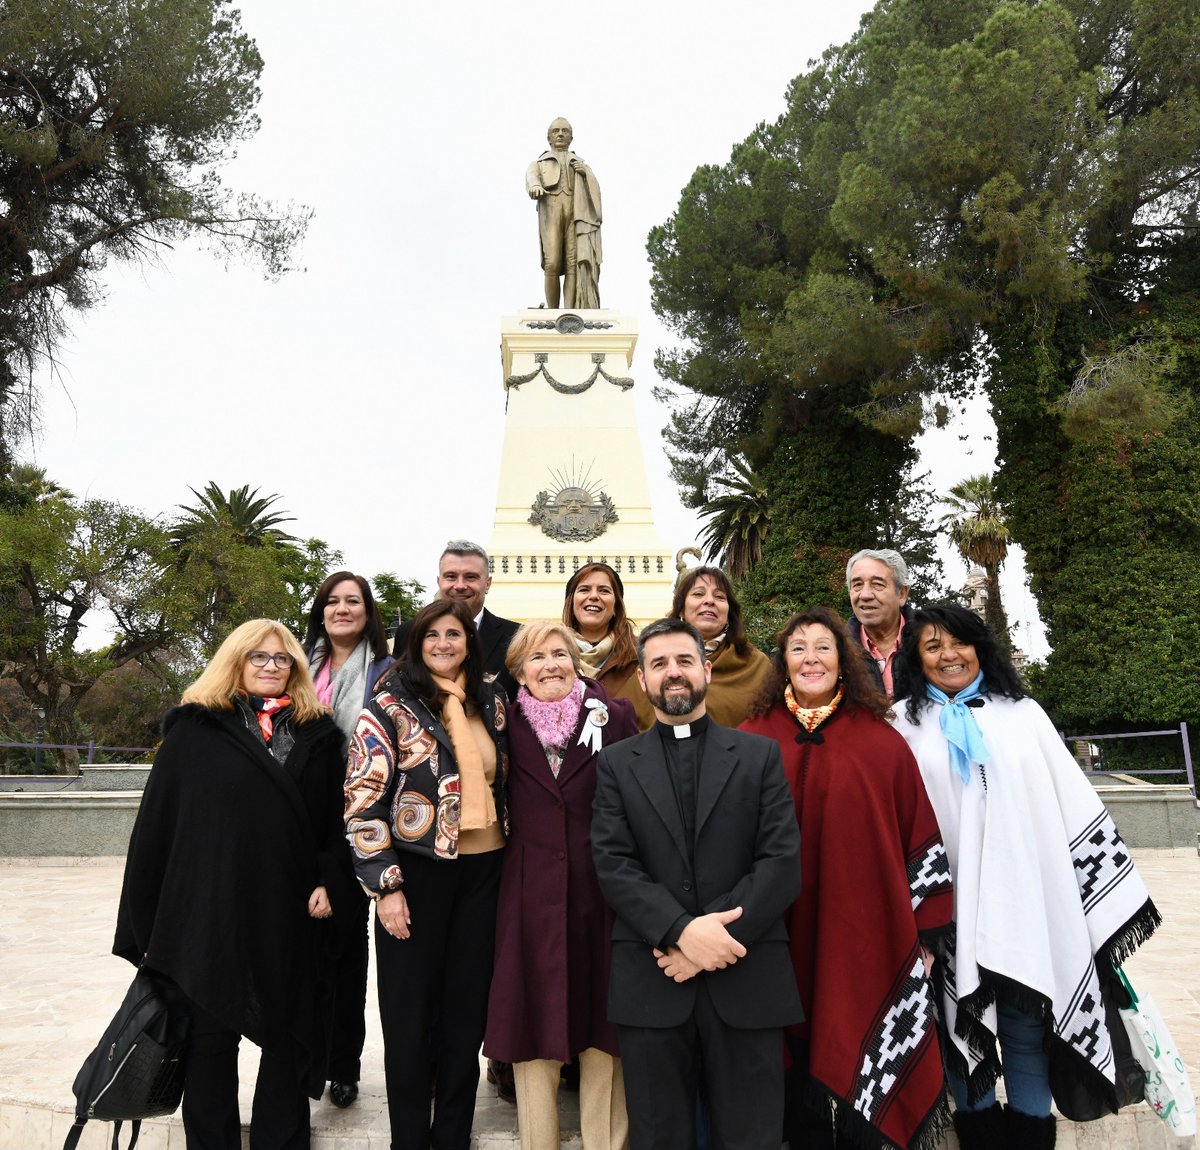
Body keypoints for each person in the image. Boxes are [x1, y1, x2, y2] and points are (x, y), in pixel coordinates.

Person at [891, 604, 1162, 1150]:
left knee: (1023, 1028)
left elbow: (1066, 799)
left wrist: (1085, 901)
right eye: (933, 646)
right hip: (948, 911)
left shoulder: (1023, 714)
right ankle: (982, 1136)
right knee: (960, 1027)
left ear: (980, 648)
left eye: (959, 643)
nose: (949, 655)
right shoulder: (901, 724)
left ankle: (1033, 1138)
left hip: (1026, 904)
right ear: (916, 659)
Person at [114, 619, 346, 1149]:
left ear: (296, 669)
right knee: (210, 1040)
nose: (271, 667)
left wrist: (331, 882)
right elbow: (156, 829)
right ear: (235, 662)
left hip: (288, 909)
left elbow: (339, 824)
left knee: (287, 1038)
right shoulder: (195, 731)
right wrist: (146, 924)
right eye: (258, 657)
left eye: (282, 659)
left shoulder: (320, 735)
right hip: (210, 910)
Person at [739, 607, 953, 1150]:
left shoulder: (880, 743)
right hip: (772, 937)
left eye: (823, 647)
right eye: (798, 648)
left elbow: (917, 833)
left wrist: (925, 931)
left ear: (843, 661)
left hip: (862, 934)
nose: (810, 658)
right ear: (782, 662)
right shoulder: (749, 740)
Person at [591, 618, 802, 1150]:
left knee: (752, 1137)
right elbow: (613, 863)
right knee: (659, 1138)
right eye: (658, 664)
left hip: (747, 974)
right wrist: (680, 932)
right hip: (652, 977)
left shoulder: (759, 756)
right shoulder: (616, 764)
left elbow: (780, 862)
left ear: (707, 669)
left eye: (684, 661)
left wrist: (711, 945)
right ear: (641, 679)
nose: (673, 673)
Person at [346, 599, 509, 1150]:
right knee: (410, 1017)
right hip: (415, 876)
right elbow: (361, 804)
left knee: (466, 1013)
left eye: (455, 634)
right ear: (414, 644)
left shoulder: (492, 702)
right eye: (431, 634)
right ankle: (410, 1139)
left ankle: (454, 1136)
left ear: (470, 641)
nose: (444, 643)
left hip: (485, 871)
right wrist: (385, 886)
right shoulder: (389, 706)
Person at [484, 621, 638, 1150]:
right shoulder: (500, 724)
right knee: (532, 1021)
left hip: (602, 890)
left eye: (560, 654)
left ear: (577, 660)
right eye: (536, 658)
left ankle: (607, 1143)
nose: (550, 665)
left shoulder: (614, 716)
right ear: (519, 671)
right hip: (528, 892)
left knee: (603, 1022)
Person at [302, 570, 395, 1109]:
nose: (342, 609)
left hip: (356, 820)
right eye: (332, 601)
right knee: (303, 952)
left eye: (352, 601)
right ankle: (304, 1058)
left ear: (367, 612)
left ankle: (343, 1065)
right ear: (321, 610)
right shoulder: (296, 664)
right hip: (299, 821)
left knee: (345, 949)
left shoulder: (385, 671)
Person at [618, 566, 771, 730]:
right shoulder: (653, 659)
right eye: (698, 594)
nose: (709, 601)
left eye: (719, 596)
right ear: (681, 608)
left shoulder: (757, 665)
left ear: (729, 611)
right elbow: (623, 723)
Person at [392, 539, 520, 703]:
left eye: (470, 577)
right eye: (451, 576)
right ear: (439, 582)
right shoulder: (409, 633)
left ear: (487, 584)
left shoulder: (516, 637)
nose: (460, 585)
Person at [526, 116, 602, 309]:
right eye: (556, 131)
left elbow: (595, 190)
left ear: (571, 138)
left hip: (576, 213)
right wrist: (535, 186)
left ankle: (570, 311)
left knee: (572, 263)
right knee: (552, 262)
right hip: (551, 210)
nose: (560, 134)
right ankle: (553, 311)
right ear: (549, 138)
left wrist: (584, 173)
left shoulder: (580, 163)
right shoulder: (539, 163)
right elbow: (531, 177)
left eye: (565, 131)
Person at [845, 548, 914, 699]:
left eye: (877, 584)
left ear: (902, 594)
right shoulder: (837, 651)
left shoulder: (930, 643)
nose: (865, 595)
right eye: (857, 585)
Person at [562, 561, 639, 695]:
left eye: (604, 590)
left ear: (616, 606)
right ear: (571, 603)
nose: (593, 596)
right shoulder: (550, 655)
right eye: (584, 589)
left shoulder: (640, 656)